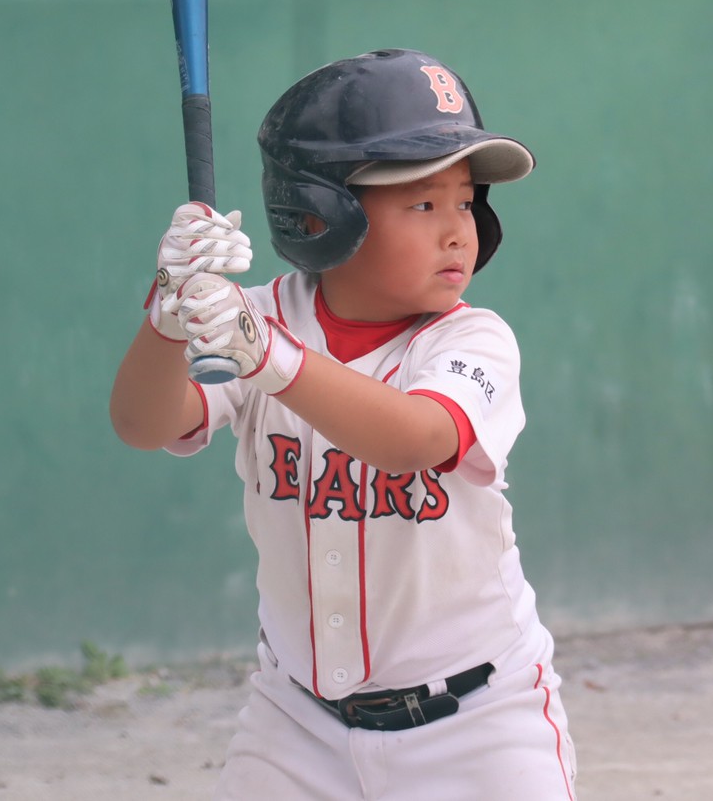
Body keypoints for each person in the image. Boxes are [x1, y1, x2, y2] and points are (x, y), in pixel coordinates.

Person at [110, 48, 577, 799]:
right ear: (320, 212)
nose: (457, 230)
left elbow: (417, 439)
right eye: (422, 204)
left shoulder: (471, 338)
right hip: (297, 726)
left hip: (478, 724)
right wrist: (167, 310)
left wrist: (268, 359)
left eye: (465, 201)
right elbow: (141, 422)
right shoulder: (259, 320)